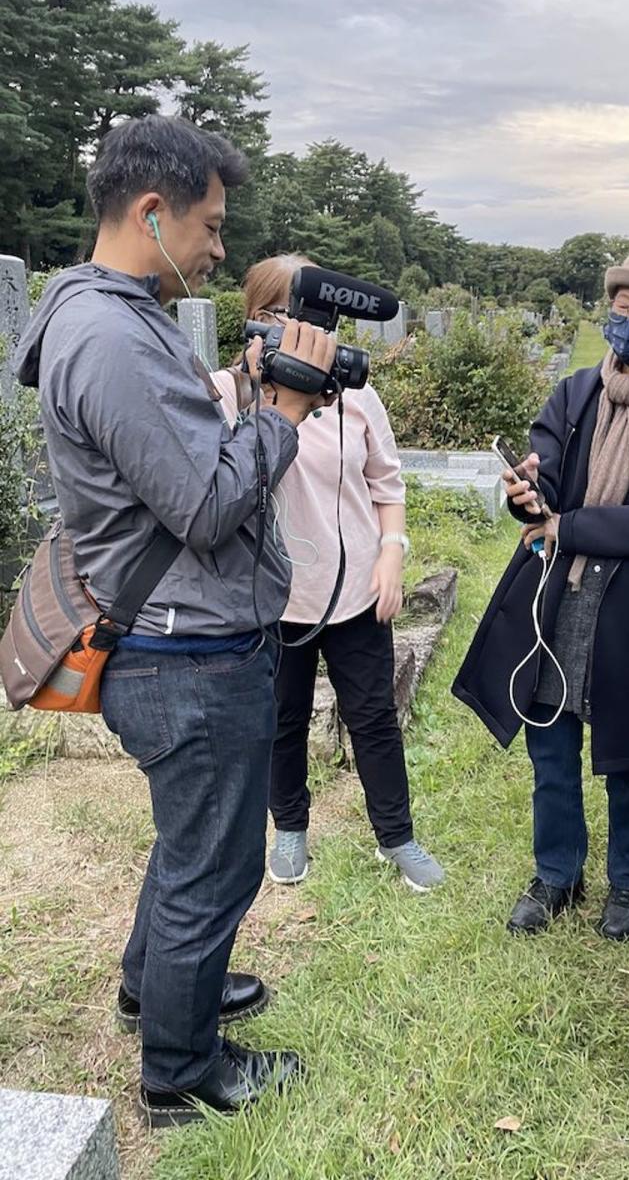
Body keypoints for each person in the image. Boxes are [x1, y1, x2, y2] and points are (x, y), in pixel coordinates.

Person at [15, 116, 338, 1128]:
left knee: (188, 839)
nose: (217, 250)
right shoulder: (110, 332)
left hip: (174, 638)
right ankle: (182, 1069)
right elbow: (203, 506)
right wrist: (280, 413)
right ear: (151, 213)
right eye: (208, 224)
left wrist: (243, 391)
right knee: (217, 857)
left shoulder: (116, 312)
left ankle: (156, 987)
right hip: (186, 651)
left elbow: (169, 452)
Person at [453, 239, 629, 939]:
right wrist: (524, 493)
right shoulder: (576, 393)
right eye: (621, 307)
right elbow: (539, 485)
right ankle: (557, 874)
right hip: (557, 600)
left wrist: (566, 525)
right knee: (549, 747)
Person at [212, 254, 444, 893]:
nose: (306, 329)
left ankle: (397, 836)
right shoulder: (229, 395)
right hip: (275, 601)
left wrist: (392, 550)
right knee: (281, 720)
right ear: (256, 320)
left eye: (317, 316)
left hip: (354, 593)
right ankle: (289, 829)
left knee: (372, 719)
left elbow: (386, 484)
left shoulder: (357, 394)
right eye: (285, 315)